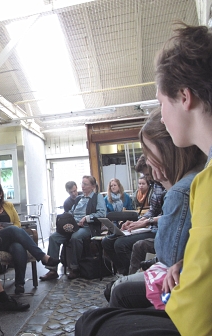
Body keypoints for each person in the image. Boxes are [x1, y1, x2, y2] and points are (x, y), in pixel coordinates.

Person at [76, 22, 212, 336]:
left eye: (162, 103)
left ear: (184, 96)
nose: (162, 115)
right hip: (184, 307)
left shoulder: (196, 185)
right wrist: (185, 267)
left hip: (189, 322)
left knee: (92, 322)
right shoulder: (202, 179)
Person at [105, 108, 205, 305]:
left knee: (118, 291)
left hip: (184, 286)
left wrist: (168, 187)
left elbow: (168, 254)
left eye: (150, 153)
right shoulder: (199, 174)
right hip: (189, 271)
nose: (149, 161)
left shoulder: (179, 190)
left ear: (167, 152)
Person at [0, 182, 59, 293]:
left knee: (18, 247)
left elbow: (17, 224)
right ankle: (42, 256)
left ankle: (19, 285)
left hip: (10, 239)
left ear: (1, 194)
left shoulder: (8, 206)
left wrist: (8, 230)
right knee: (12, 230)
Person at [46, 177, 108, 281]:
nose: (82, 186)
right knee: (54, 237)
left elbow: (102, 213)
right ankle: (52, 270)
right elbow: (71, 212)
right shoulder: (79, 198)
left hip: (88, 226)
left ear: (93, 186)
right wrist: (64, 219)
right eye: (82, 183)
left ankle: (75, 268)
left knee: (75, 237)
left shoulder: (97, 197)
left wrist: (86, 218)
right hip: (74, 225)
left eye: (85, 184)